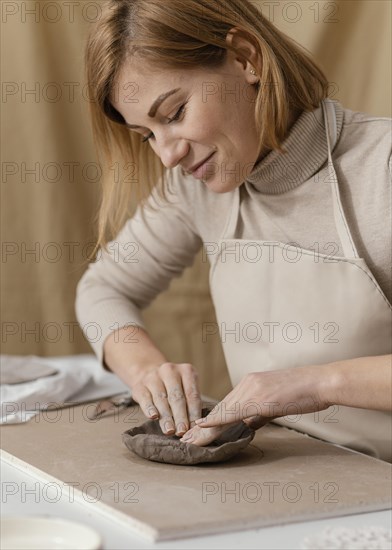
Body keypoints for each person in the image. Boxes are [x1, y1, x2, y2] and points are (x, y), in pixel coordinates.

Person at [76, 0, 392, 461]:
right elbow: (101, 287)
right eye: (146, 135)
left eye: (175, 113)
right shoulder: (195, 188)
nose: (167, 155)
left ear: (246, 57)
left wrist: (316, 383)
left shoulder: (381, 169)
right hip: (281, 482)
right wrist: (146, 370)